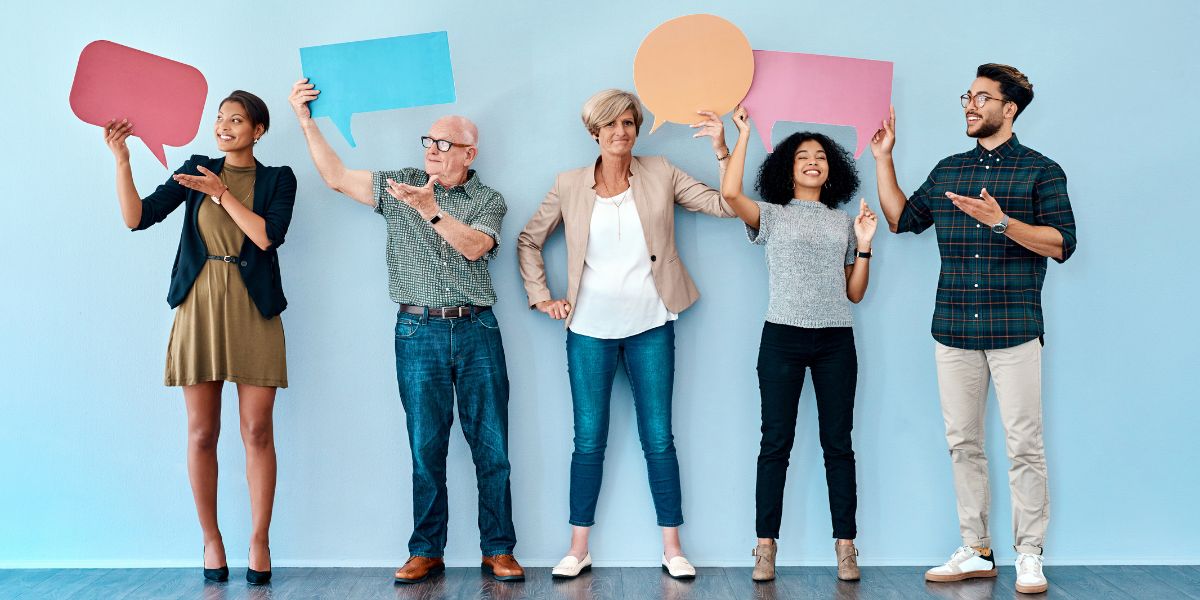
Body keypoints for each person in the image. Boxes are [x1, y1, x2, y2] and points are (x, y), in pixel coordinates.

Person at [287, 79, 522, 584]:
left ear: (468, 153)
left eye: (444, 144)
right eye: (428, 142)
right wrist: (306, 120)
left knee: (493, 446)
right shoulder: (399, 184)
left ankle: (498, 549)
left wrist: (428, 208)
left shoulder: (488, 199)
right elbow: (335, 177)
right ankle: (425, 549)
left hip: (477, 327)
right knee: (425, 446)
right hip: (417, 330)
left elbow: (476, 247)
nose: (433, 151)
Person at [870, 63, 1077, 595]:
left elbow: (1061, 244)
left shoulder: (1041, 171)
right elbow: (900, 220)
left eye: (983, 98)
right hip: (954, 327)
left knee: (1024, 445)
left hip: (1015, 329)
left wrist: (1002, 223)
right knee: (963, 443)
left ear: (1009, 109)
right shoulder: (949, 170)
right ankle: (976, 549)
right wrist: (883, 157)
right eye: (969, 95)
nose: (970, 104)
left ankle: (1029, 555)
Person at [517, 89, 735, 580]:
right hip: (588, 330)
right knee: (588, 440)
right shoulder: (569, 184)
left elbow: (725, 205)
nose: (621, 132)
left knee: (659, 438)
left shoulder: (661, 172)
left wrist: (722, 148)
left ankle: (673, 548)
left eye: (629, 124)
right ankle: (577, 549)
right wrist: (541, 296)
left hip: (651, 325)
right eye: (611, 125)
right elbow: (529, 239)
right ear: (594, 132)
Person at [103, 90, 295, 585]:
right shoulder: (194, 167)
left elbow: (265, 237)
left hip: (254, 307)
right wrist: (122, 159)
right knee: (202, 432)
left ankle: (259, 539)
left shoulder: (279, 179)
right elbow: (136, 217)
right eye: (220, 118)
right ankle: (211, 539)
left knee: (256, 431)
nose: (225, 126)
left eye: (237, 119)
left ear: (259, 131)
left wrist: (221, 193)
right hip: (199, 304)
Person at [702, 106, 877, 582]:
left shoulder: (843, 222)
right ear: (788, 167)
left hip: (835, 341)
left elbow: (855, 293)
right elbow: (731, 192)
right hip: (781, 337)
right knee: (775, 443)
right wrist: (739, 136)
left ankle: (846, 547)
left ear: (832, 167)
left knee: (837, 444)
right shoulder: (773, 217)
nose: (813, 162)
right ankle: (764, 548)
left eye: (821, 156)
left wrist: (864, 243)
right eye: (803, 156)